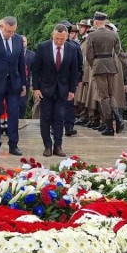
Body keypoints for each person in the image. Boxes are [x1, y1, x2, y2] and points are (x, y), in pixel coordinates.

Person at [32, 24, 79, 156]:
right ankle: (47, 146)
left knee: (59, 118)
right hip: (45, 89)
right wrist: (36, 88)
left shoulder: (72, 49)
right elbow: (35, 70)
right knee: (45, 118)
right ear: (53, 35)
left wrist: (72, 90)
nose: (59, 42)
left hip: (63, 89)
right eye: (57, 38)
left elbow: (74, 71)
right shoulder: (43, 47)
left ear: (66, 37)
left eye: (62, 39)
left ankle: (58, 146)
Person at [0, 16, 26, 156]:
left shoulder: (18, 39)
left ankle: (13, 144)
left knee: (14, 114)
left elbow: (21, 63)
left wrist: (24, 84)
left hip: (14, 83)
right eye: (8, 31)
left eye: (13, 31)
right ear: (2, 27)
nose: (10, 34)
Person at [85, 11, 121, 136]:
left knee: (103, 97)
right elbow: (119, 53)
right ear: (105, 21)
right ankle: (118, 116)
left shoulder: (92, 36)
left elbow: (89, 56)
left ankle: (109, 125)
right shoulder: (114, 34)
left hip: (98, 66)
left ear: (95, 21)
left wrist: (93, 66)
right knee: (110, 95)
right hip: (111, 66)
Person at [18, 35, 35, 119]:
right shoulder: (15, 53)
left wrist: (32, 84)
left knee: (23, 104)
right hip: (15, 82)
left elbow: (33, 71)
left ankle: (21, 119)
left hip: (26, 82)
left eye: (24, 41)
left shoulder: (32, 55)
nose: (22, 43)